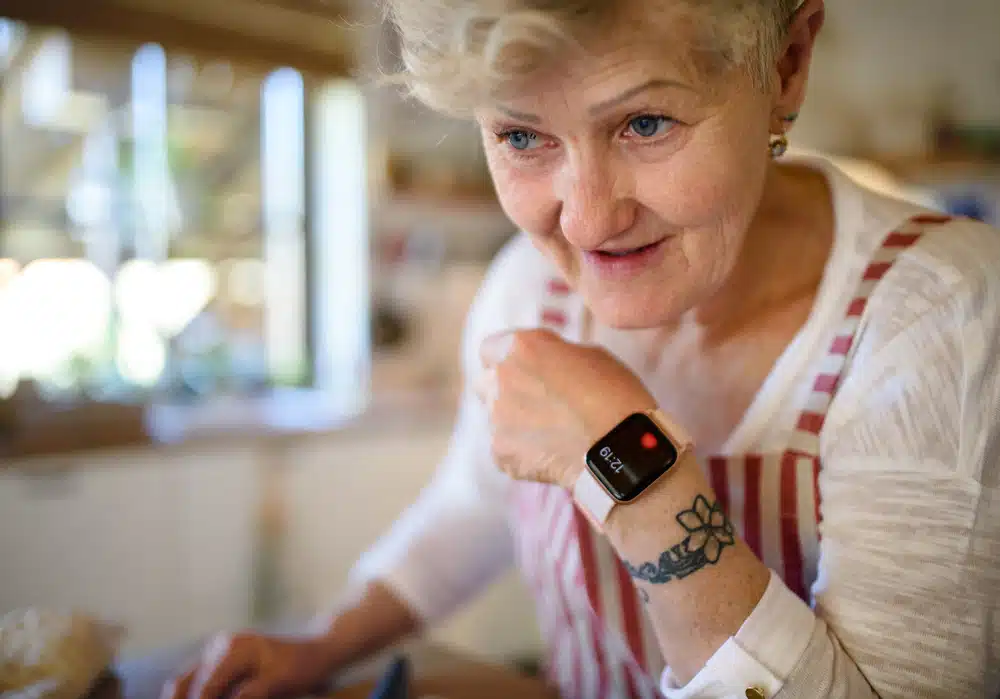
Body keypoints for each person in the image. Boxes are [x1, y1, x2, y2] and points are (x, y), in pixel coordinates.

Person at [163, 0, 1000, 697]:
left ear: (785, 65)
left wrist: (636, 471)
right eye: (523, 138)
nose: (587, 220)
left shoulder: (937, 315)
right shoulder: (528, 289)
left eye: (645, 122)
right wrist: (319, 646)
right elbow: (474, 505)